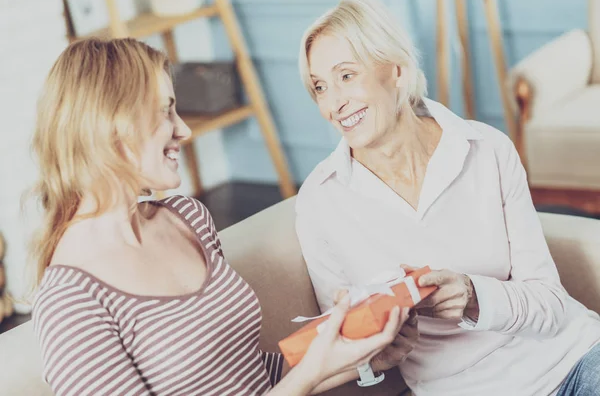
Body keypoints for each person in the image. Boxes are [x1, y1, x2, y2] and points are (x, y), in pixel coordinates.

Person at [29, 37, 410, 396]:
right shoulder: (72, 303)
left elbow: (251, 374)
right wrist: (312, 373)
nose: (184, 130)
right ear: (112, 126)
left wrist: (362, 359)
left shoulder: (188, 218)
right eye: (165, 112)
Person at [295, 0, 600, 395]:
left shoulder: (487, 149)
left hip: (573, 359)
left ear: (397, 71)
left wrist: (475, 298)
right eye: (320, 87)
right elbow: (341, 349)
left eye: (347, 76)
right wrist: (377, 353)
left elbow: (551, 304)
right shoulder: (320, 203)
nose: (333, 103)